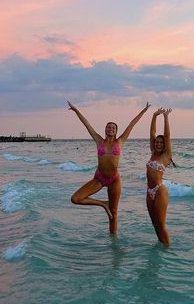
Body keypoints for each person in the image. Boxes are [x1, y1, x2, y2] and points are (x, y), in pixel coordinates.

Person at [68, 101, 151, 234]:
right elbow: (86, 124)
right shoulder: (98, 140)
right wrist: (76, 110)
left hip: (114, 179)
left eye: (113, 128)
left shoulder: (120, 141)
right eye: (108, 127)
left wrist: (144, 110)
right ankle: (103, 204)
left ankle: (113, 241)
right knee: (76, 198)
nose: (110, 129)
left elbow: (132, 124)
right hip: (99, 178)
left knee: (113, 214)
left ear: (116, 131)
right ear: (105, 130)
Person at [146, 108, 173, 246]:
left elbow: (167, 136)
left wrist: (165, 117)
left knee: (161, 224)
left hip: (159, 191)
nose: (158, 143)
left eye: (161, 143)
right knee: (154, 224)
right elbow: (152, 133)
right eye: (157, 142)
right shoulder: (152, 152)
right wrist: (154, 115)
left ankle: (168, 250)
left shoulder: (165, 156)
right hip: (149, 191)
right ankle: (161, 246)